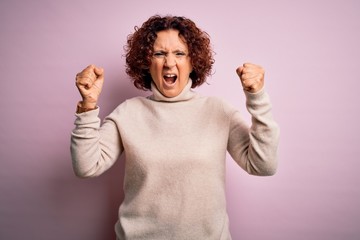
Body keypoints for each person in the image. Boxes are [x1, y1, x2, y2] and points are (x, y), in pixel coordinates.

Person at [71, 15, 279, 240]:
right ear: (146, 63)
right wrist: (88, 106)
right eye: (159, 54)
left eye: (179, 53)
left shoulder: (219, 111)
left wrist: (257, 98)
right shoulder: (128, 113)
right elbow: (86, 166)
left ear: (193, 62)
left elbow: (263, 165)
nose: (169, 63)